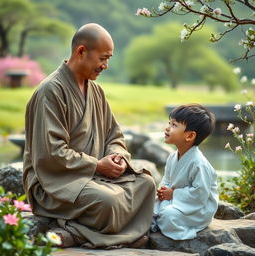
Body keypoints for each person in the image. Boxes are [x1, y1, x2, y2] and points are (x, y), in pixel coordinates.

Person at [23, 23, 155, 248]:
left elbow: (114, 135)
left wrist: (117, 157)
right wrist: (97, 166)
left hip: (91, 175)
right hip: (55, 181)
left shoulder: (96, 91)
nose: (106, 65)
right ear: (81, 51)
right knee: (109, 201)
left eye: (109, 59)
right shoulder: (50, 91)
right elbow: (51, 154)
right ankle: (81, 233)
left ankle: (82, 233)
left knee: (147, 184)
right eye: (103, 58)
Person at [151, 104, 218, 240]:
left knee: (169, 216)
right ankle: (153, 224)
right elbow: (167, 179)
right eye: (169, 123)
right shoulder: (172, 157)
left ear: (190, 136)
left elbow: (200, 194)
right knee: (149, 207)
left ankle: (187, 231)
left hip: (196, 209)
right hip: (175, 201)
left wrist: (173, 194)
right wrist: (163, 191)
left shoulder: (199, 164)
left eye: (174, 125)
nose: (167, 128)